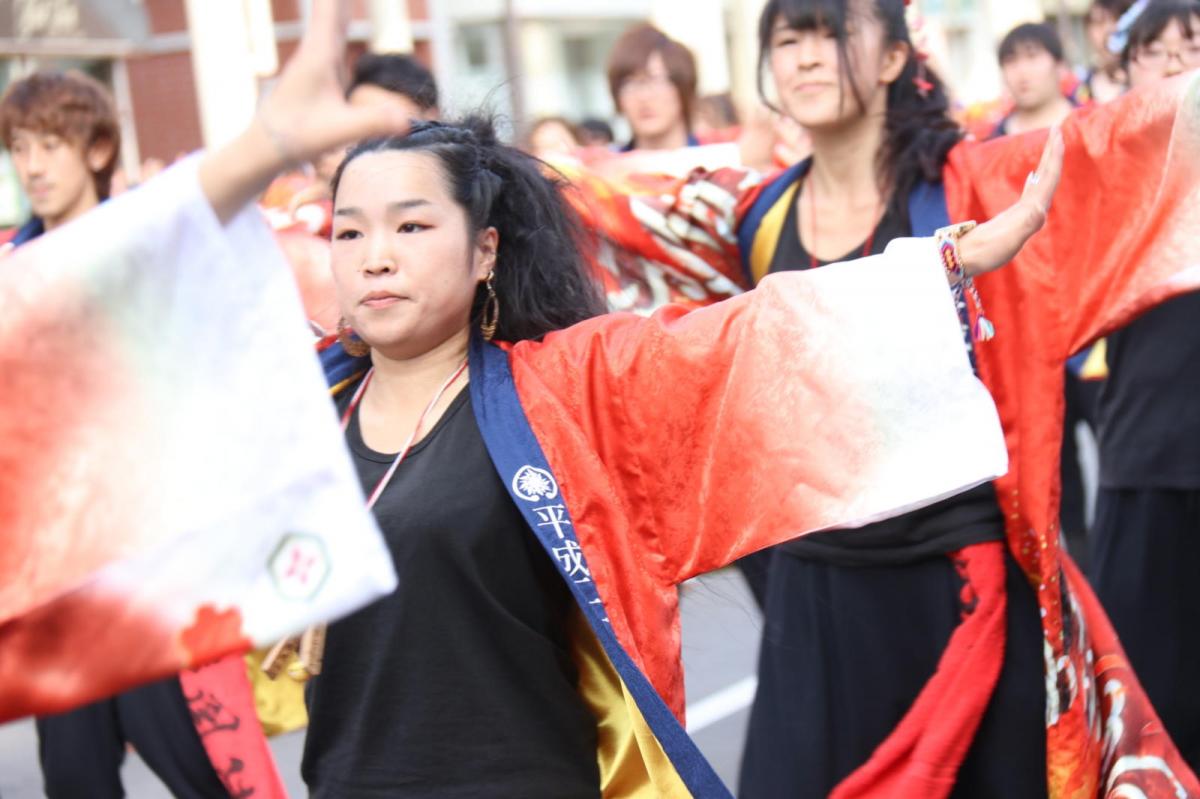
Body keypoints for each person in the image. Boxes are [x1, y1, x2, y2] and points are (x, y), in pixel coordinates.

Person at [559, 0, 1200, 793]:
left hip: (961, 590)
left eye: (831, 33)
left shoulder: (976, 183)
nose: (805, 56)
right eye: (787, 38)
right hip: (815, 590)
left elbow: (1135, 142)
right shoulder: (757, 216)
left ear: (896, 57)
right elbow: (594, 213)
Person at [0, 69, 231, 799]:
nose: (31, 165)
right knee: (73, 776)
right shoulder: (12, 270)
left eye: (49, 144)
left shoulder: (150, 249)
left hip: (150, 563)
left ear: (98, 147)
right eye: (17, 147)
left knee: (201, 768)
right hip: (55, 575)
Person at [1090, 0, 1200, 774]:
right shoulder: (1102, 171)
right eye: (1155, 52)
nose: (1174, 63)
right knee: (1150, 712)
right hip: (1143, 466)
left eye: (1191, 45)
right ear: (1125, 68)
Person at [606, 24, 700, 151]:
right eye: (629, 83)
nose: (643, 96)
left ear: (682, 87)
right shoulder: (604, 168)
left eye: (655, 80)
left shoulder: (718, 163)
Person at [993, 23, 1077, 136]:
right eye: (1011, 60)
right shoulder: (995, 141)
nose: (1022, 71)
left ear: (1059, 65)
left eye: (1032, 56)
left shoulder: (1090, 126)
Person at [1079, 0, 1136, 103]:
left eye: (1118, 19)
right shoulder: (1077, 87)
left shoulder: (1149, 79)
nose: (1110, 30)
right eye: (1099, 22)